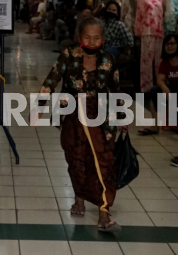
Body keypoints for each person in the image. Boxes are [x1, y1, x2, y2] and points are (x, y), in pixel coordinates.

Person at [41, 17, 125, 233]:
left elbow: (115, 90)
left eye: (97, 38)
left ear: (103, 39)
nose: (92, 41)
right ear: (80, 38)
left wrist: (121, 117)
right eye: (88, 37)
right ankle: (79, 198)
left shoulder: (108, 60)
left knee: (104, 160)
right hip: (72, 116)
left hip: (101, 116)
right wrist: (39, 106)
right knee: (77, 158)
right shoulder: (69, 55)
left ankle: (104, 211)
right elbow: (52, 79)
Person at [139, 34, 178, 143]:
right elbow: (160, 79)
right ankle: (155, 126)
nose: (169, 46)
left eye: (172, 43)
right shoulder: (165, 63)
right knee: (154, 91)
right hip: (175, 92)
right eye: (167, 44)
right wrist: (164, 87)